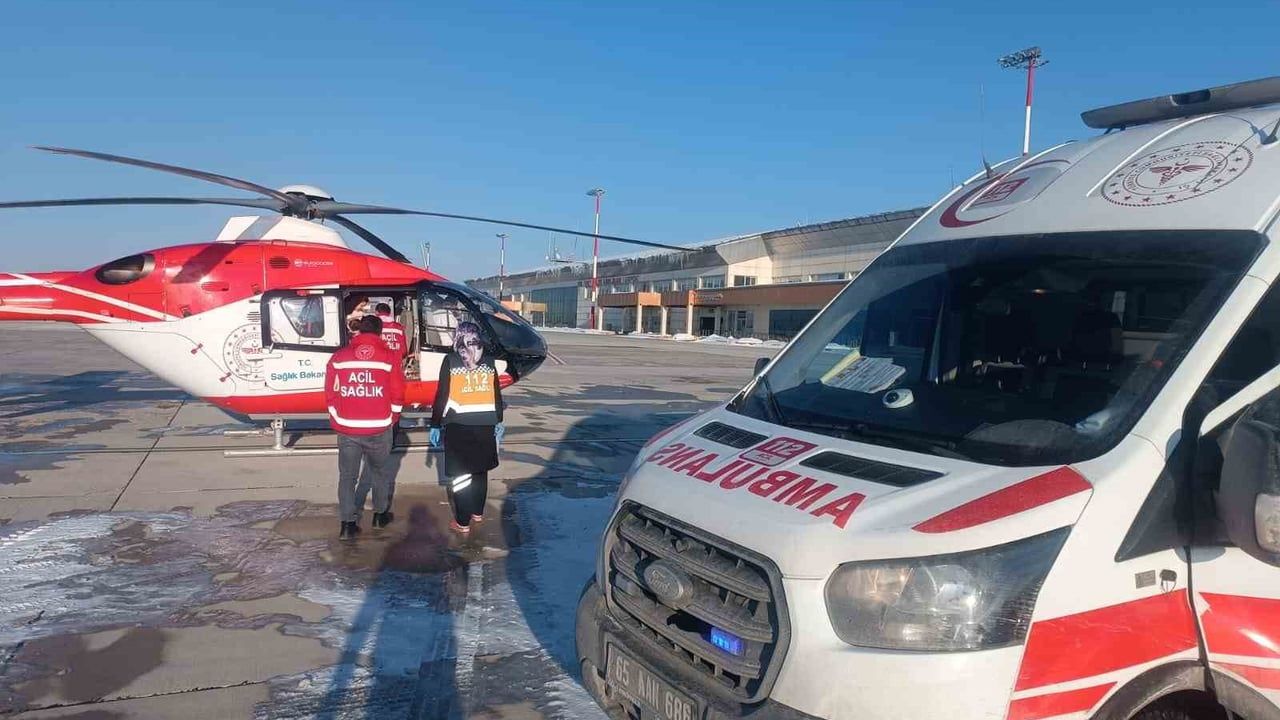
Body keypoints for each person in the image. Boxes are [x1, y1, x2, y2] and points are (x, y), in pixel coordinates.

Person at [325, 315, 405, 539]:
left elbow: (330, 392)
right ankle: (380, 515)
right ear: (380, 333)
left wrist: (335, 417)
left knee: (347, 477)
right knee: (380, 473)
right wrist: (393, 417)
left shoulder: (339, 357)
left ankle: (347, 525)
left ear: (359, 331)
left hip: (347, 428)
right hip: (379, 426)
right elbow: (398, 393)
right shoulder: (389, 357)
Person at [429, 321, 505, 535]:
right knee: (480, 470)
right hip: (485, 424)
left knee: (461, 474)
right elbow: (496, 394)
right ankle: (477, 512)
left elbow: (442, 395)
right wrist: (498, 419)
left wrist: (435, 423)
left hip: (459, 425)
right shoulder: (489, 362)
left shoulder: (452, 361)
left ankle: (462, 521)